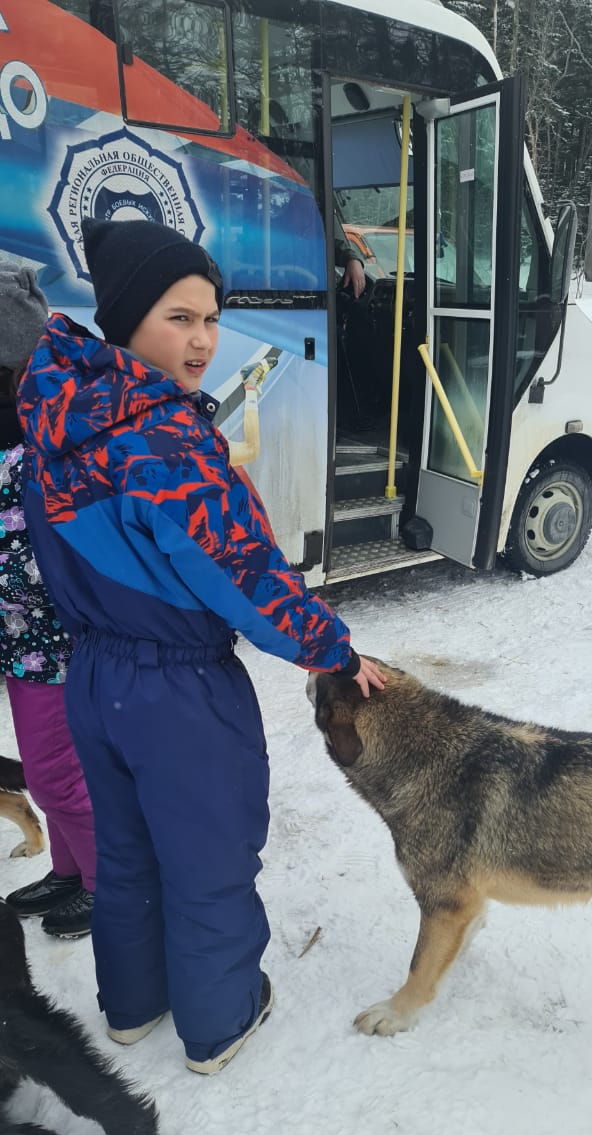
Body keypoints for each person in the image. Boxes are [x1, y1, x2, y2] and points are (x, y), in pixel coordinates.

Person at [17, 217, 385, 1075]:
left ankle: (133, 1007)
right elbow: (244, 573)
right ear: (128, 317)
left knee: (128, 846)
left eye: (211, 318)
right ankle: (220, 1022)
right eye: (180, 317)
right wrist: (331, 648)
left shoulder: (54, 422)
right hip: (177, 686)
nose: (202, 339)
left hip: (94, 676)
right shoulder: (166, 442)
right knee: (209, 852)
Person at [0, 266, 97, 939]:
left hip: (50, 639)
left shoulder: (40, 442)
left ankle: (104, 885)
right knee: (49, 768)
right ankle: (69, 869)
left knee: (58, 773)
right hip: (19, 636)